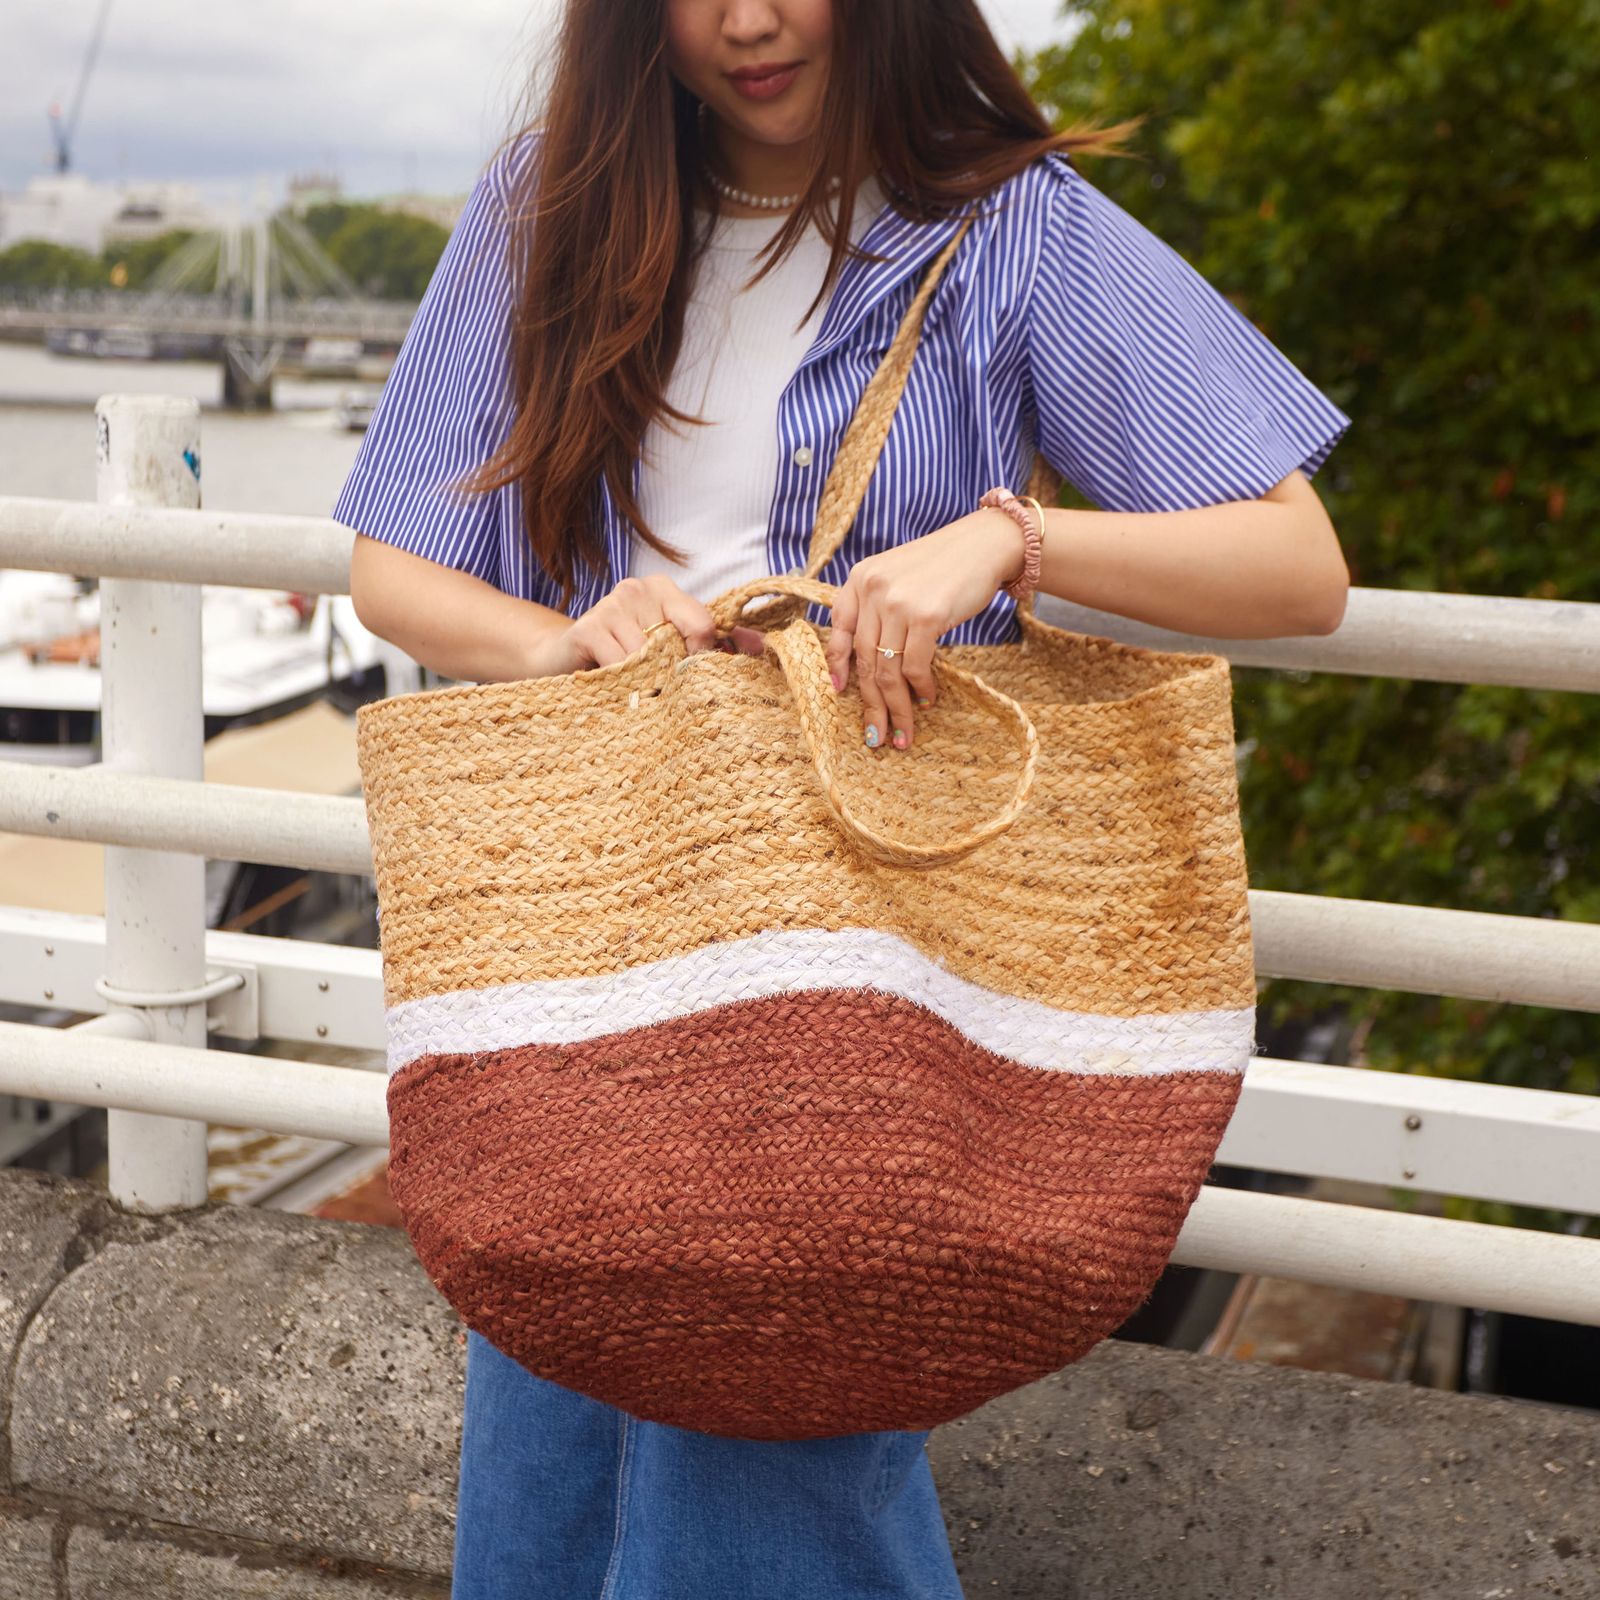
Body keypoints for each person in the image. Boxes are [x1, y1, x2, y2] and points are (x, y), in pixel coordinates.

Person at [335, 2, 1353, 1594]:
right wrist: (565, 638)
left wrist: (1015, 543)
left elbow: (1299, 568)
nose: (747, 19)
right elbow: (395, 561)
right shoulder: (557, 199)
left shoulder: (1008, 230)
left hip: (865, 949)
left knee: (773, 1398)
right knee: (557, 1418)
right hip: (598, 926)